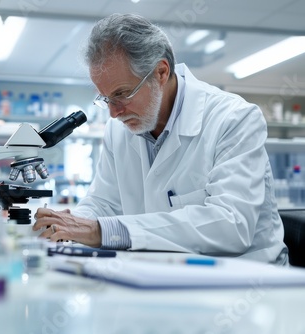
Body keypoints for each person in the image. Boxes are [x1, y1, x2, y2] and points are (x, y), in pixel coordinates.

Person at [32, 13, 288, 265]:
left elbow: (232, 225)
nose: (113, 112)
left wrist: (103, 231)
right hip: (166, 274)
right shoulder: (119, 129)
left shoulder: (233, 119)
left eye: (121, 94)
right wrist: (68, 224)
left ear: (161, 72)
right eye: (106, 98)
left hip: (247, 280)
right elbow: (104, 203)